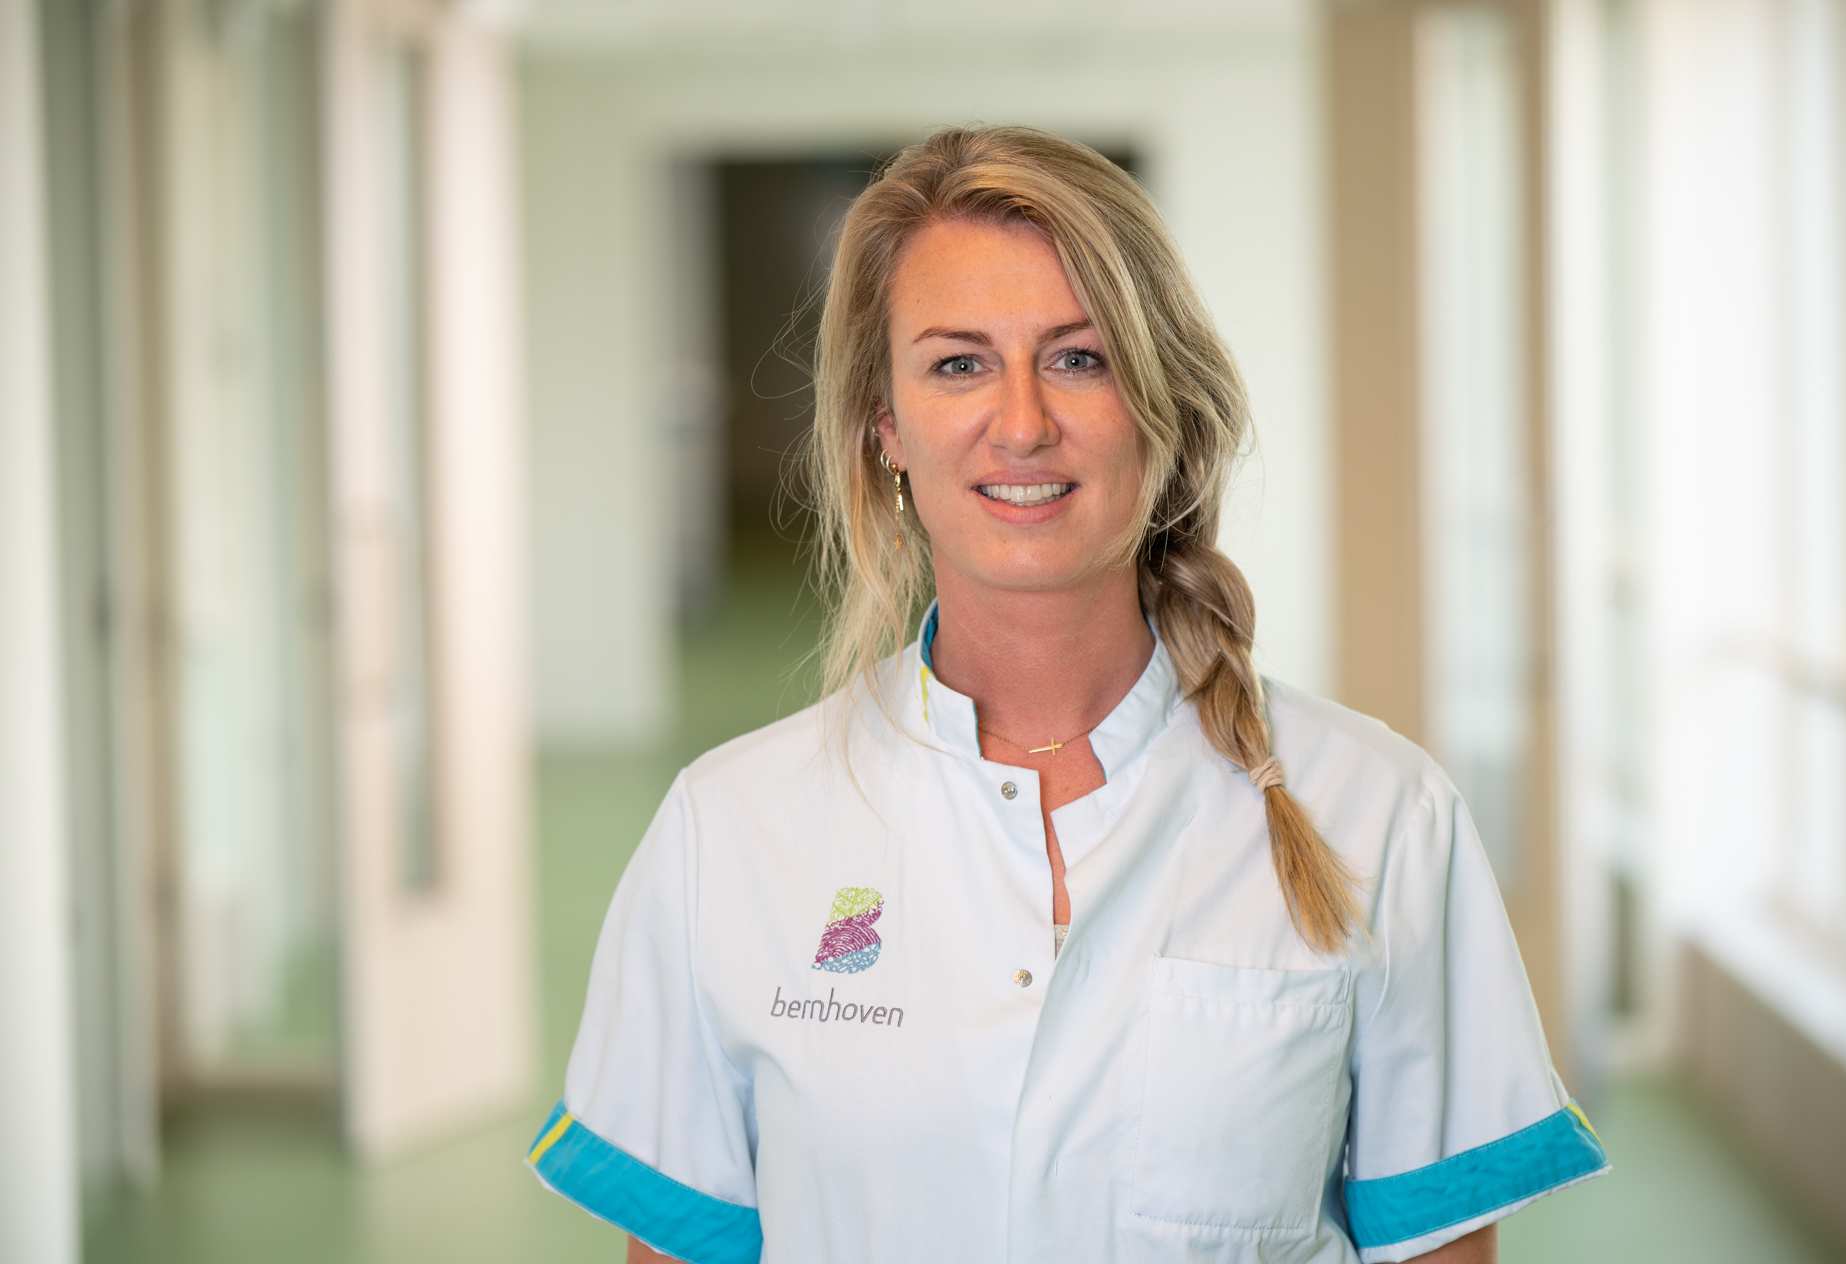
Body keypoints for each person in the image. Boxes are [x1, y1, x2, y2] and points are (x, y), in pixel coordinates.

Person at [525, 125, 1607, 1264]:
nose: (1023, 422)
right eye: (958, 364)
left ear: (1161, 402)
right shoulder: (731, 830)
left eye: (1080, 358)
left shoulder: (1378, 814)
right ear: (886, 426)